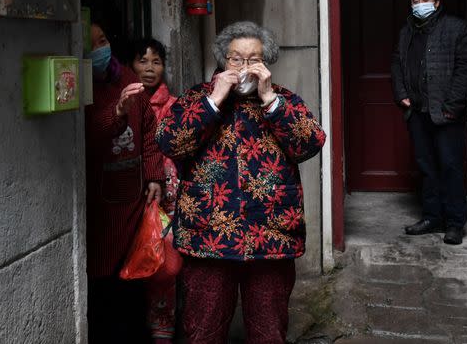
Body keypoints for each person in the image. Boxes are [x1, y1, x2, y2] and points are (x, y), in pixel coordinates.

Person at [156, 21, 326, 344]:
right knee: (202, 333)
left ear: (266, 64)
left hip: (270, 240)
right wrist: (213, 102)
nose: (245, 68)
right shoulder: (198, 98)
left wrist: (270, 101)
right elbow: (168, 140)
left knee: (268, 333)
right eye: (236, 59)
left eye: (254, 60)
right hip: (208, 239)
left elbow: (311, 142)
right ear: (223, 61)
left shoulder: (284, 101)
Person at [85, 23, 164, 343]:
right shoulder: (82, 89)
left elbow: (148, 134)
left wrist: (155, 176)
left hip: (134, 201)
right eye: (92, 45)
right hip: (101, 205)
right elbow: (87, 137)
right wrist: (116, 113)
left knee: (134, 279)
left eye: (103, 40)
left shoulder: (130, 82)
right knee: (104, 286)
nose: (100, 48)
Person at [390, 0, 467, 245]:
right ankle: (432, 217)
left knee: (450, 167)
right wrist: (401, 93)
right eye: (416, 0)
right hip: (417, 112)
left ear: (437, 2)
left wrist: (452, 105)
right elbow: (397, 62)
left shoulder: (456, 28)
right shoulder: (407, 31)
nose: (420, 4)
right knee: (427, 167)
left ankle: (454, 224)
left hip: (447, 113)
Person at [129, 38, 180, 344]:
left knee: (164, 265)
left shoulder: (173, 107)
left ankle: (163, 323)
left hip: (165, 198)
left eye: (156, 62)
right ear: (130, 65)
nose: (149, 69)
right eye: (142, 61)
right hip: (129, 198)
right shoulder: (124, 102)